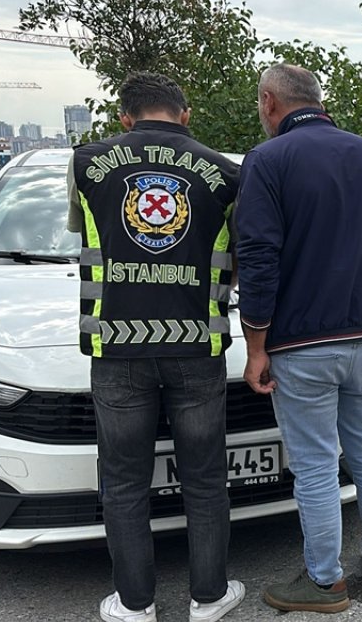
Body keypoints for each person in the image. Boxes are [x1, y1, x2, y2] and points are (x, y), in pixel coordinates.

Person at [236, 63, 362, 614]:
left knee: (314, 463)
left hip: (302, 345)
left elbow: (259, 257)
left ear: (270, 102)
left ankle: (323, 582)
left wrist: (256, 344)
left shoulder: (267, 162)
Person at [69, 72, 244, 622]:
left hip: (116, 347)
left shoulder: (85, 165)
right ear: (185, 114)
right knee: (205, 479)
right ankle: (209, 599)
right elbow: (239, 258)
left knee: (122, 483)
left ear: (125, 117)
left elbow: (85, 233)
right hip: (198, 346)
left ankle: (135, 605)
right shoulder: (226, 174)